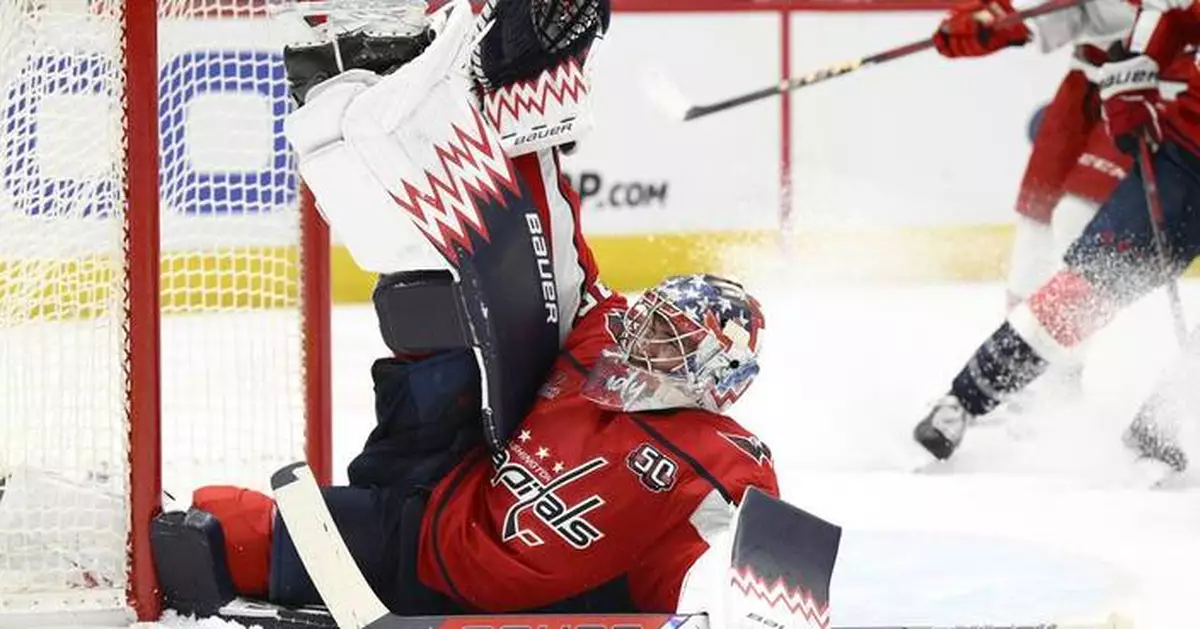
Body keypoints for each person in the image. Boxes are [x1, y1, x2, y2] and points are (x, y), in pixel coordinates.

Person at [151, 0, 778, 618]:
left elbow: (730, 570)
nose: (644, 340)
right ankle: (358, 61)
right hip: (444, 467)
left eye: (674, 340)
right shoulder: (604, 338)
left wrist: (723, 601)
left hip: (439, 553)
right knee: (439, 272)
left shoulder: (721, 453)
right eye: (654, 321)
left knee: (226, 530)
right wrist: (534, 133)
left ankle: (361, 70)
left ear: (716, 379)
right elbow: (563, 259)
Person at [912, 0, 1200, 469]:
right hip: (1167, 133)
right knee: (1065, 258)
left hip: (1164, 99)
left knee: (1074, 220)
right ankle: (983, 391)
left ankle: (1160, 426)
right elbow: (1164, 12)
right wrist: (996, 17)